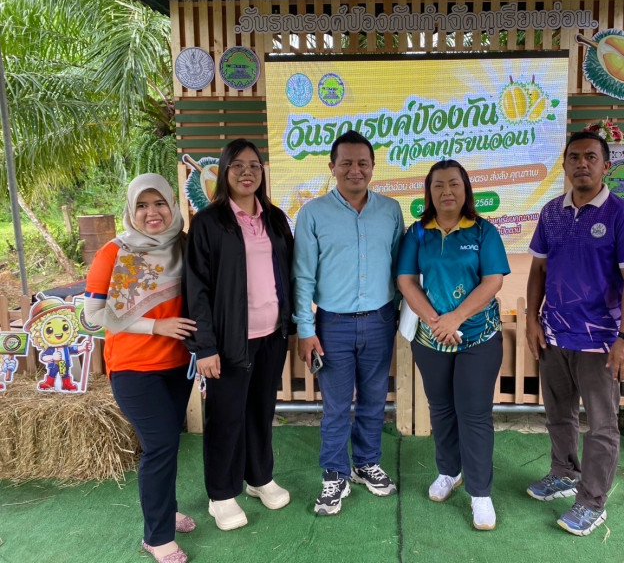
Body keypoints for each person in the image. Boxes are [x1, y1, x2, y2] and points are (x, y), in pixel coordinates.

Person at [525, 131, 624, 537]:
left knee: (601, 426)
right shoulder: (551, 213)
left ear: (606, 166)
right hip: (554, 335)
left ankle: (592, 502)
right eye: (574, 157)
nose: (582, 164)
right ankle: (563, 473)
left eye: (591, 157)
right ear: (564, 165)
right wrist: (532, 318)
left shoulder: (622, 215)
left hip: (601, 342)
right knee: (559, 414)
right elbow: (538, 270)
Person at [84, 173, 197, 563]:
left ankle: (165, 510)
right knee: (160, 445)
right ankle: (157, 536)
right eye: (142, 205)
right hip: (133, 368)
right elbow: (94, 314)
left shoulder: (184, 245)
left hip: (177, 364)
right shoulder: (114, 253)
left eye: (160, 203)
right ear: (130, 210)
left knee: (168, 442)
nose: (152, 212)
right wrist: (156, 326)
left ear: (172, 205)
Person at [183, 139, 294, 531]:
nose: (247, 172)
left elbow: (290, 274)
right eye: (238, 165)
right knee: (226, 417)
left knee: (261, 411)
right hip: (230, 340)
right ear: (224, 172)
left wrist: (293, 324)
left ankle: (259, 478)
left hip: (272, 335)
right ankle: (221, 494)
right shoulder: (209, 222)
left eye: (254, 165)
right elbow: (196, 289)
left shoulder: (275, 219)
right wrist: (205, 347)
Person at [292, 130, 404, 516]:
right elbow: (303, 276)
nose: (355, 170)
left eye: (362, 163)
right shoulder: (313, 213)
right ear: (332, 167)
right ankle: (335, 474)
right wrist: (305, 329)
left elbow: (399, 268)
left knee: (374, 400)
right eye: (346, 163)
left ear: (372, 167)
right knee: (337, 406)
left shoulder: (390, 210)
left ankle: (366, 463)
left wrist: (397, 313)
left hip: (380, 320)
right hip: (332, 325)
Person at [396, 159, 510, 531]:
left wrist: (456, 318)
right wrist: (436, 322)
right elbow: (406, 281)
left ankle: (480, 493)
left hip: (479, 336)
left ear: (466, 190)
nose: (447, 191)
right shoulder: (417, 233)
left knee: (473, 414)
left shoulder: (484, 231)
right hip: (431, 339)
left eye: (454, 184)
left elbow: (493, 281)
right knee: (442, 409)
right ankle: (449, 472)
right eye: (438, 185)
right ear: (428, 192)